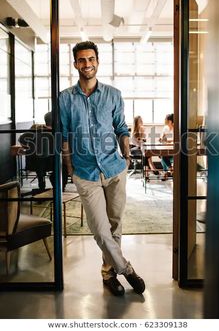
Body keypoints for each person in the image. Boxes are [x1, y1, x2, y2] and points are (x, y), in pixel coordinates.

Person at [59, 41, 145, 296]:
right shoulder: (65, 98)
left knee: (115, 224)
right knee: (100, 229)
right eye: (82, 60)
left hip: (114, 168)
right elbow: (64, 136)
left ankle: (109, 274)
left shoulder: (113, 94)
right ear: (75, 64)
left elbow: (121, 128)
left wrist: (127, 156)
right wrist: (70, 167)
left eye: (91, 59)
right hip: (85, 173)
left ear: (98, 61)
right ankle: (126, 269)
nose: (87, 64)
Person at [19, 123, 54, 193]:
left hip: (36, 162)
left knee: (40, 169)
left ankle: (41, 188)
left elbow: (20, 140)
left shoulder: (32, 134)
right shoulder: (50, 134)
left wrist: (27, 147)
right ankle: (46, 189)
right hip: (50, 162)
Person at [44, 111, 68, 191]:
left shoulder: (35, 131)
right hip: (54, 163)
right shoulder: (58, 134)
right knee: (64, 167)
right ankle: (61, 189)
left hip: (39, 164)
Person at [159, 113, 174, 180]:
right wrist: (161, 138)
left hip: (175, 150)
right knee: (163, 155)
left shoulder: (176, 129)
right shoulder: (165, 128)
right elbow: (162, 138)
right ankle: (171, 170)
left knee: (164, 157)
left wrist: (168, 141)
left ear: (170, 121)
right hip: (167, 148)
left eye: (166, 119)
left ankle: (167, 172)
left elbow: (176, 140)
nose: (164, 120)